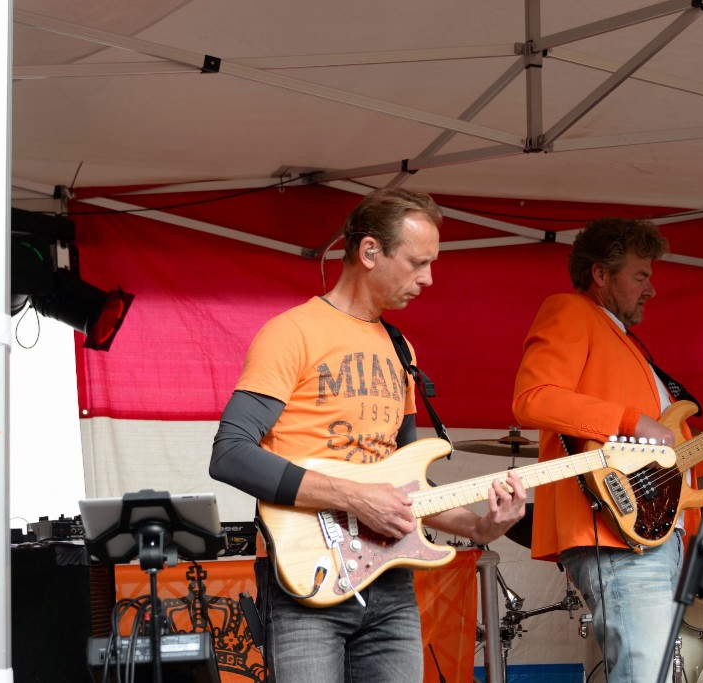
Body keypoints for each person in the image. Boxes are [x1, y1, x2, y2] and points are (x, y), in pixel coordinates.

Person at [210, 188, 526, 683]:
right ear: (370, 252)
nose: (428, 279)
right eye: (418, 262)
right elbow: (230, 454)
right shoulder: (290, 333)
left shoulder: (402, 350)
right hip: (305, 583)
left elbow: (406, 486)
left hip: (389, 581)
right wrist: (355, 497)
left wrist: (480, 527)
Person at [511, 217, 703, 683]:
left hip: (655, 533)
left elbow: (667, 461)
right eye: (640, 275)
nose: (652, 289)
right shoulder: (571, 311)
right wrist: (631, 419)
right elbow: (531, 399)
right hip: (615, 532)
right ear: (601, 274)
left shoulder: (628, 344)